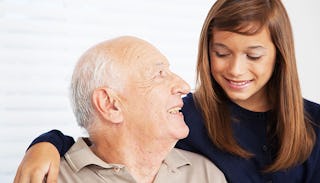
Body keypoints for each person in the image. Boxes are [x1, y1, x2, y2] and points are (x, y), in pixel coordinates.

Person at [14, 0, 320, 182]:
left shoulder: (314, 124)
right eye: (221, 53)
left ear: (280, 55)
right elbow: (106, 134)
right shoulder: (187, 115)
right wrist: (46, 144)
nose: (236, 70)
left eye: (253, 55)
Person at [13, 36, 227, 183]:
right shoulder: (49, 176)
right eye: (159, 74)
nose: (183, 86)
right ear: (110, 104)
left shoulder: (206, 174)